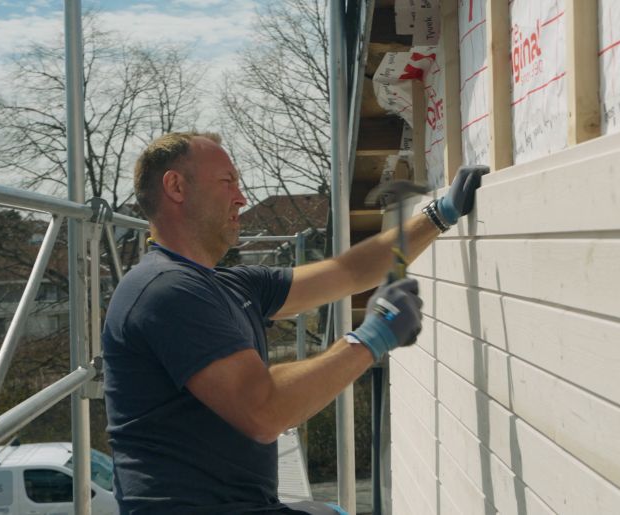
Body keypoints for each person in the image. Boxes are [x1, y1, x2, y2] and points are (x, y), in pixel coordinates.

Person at [102, 132, 486, 514]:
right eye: (227, 181)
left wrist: (438, 215)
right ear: (176, 187)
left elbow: (351, 272)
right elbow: (264, 410)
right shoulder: (165, 291)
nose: (241, 197)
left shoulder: (226, 286)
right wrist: (373, 336)